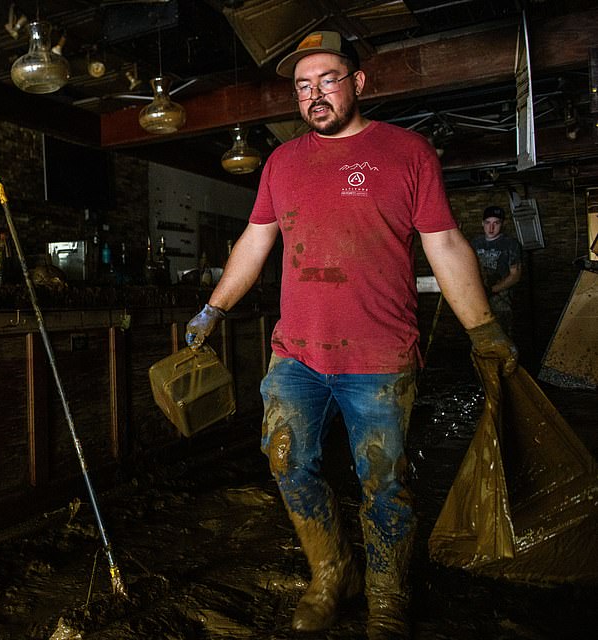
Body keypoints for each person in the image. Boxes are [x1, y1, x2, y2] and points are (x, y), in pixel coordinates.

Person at [184, 31, 517, 640]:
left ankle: (388, 594)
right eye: (303, 87)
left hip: (380, 357)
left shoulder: (407, 152)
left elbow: (444, 244)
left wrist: (485, 331)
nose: (314, 95)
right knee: (288, 462)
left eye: (328, 80)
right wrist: (212, 309)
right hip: (297, 355)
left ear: (358, 83)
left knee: (383, 483)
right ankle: (333, 574)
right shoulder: (281, 163)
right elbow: (255, 242)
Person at [471, 205, 522, 335]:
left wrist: (491, 290)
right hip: (478, 303)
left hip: (501, 304)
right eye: (488, 223)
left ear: (502, 224)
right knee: (481, 340)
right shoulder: (475, 243)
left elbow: (515, 276)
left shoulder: (510, 244)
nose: (491, 227)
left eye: (496, 223)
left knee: (502, 340)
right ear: (482, 223)